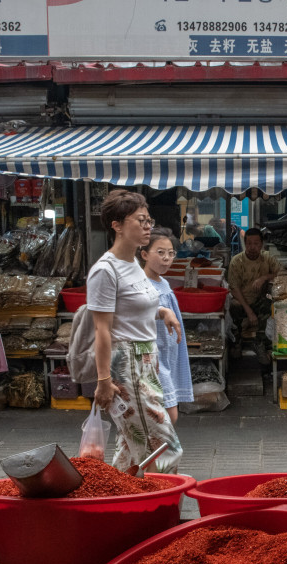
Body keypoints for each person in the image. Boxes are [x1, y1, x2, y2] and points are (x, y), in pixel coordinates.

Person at [88, 190, 183, 474]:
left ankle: (117, 502)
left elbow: (135, 305)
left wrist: (162, 311)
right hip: (126, 365)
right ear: (117, 225)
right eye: (140, 220)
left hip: (146, 361)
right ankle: (163, 506)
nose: (147, 226)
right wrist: (104, 379)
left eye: (148, 220)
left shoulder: (132, 264)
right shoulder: (105, 270)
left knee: (132, 444)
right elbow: (101, 328)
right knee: (164, 444)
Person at [140, 229, 193, 424]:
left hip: (169, 354)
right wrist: (161, 311)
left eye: (171, 253)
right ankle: (158, 453)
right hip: (153, 356)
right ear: (144, 254)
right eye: (160, 253)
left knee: (165, 417)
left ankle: (156, 453)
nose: (167, 258)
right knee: (169, 416)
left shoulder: (163, 282)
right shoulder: (141, 284)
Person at [227, 228, 280, 360]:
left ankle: (260, 343)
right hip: (241, 301)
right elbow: (234, 288)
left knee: (270, 305)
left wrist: (265, 277)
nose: (252, 247)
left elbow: (282, 273)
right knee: (232, 306)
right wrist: (249, 312)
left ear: (261, 244)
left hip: (260, 300)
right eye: (249, 243)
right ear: (245, 244)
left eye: (256, 243)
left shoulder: (267, 258)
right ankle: (236, 343)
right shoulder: (236, 261)